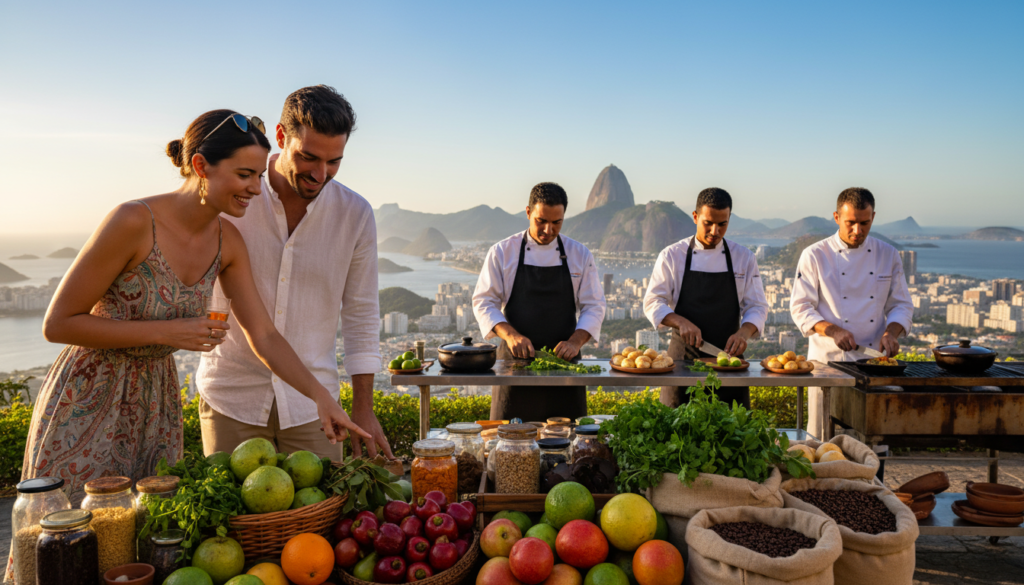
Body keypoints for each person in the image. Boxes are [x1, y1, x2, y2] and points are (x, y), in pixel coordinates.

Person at [20, 109, 370, 505]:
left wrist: (321, 396)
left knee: (146, 539)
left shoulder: (228, 242)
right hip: (89, 396)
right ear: (201, 166)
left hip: (158, 404)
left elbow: (265, 335)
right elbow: (58, 324)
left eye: (258, 176)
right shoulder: (133, 220)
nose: (256, 189)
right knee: (66, 535)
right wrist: (168, 332)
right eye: (244, 175)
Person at [196, 86, 393, 460]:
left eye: (334, 162)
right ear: (281, 137)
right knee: (234, 517)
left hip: (313, 408)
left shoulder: (355, 214)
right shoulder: (231, 199)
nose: (320, 174)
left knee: (320, 517)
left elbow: (361, 313)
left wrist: (363, 408)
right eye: (308, 157)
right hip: (231, 397)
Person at [472, 183, 606, 421]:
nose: (548, 229)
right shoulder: (503, 252)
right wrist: (511, 336)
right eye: (541, 221)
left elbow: (594, 305)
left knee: (567, 445)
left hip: (564, 365)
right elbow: (484, 302)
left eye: (557, 223)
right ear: (527, 212)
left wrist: (575, 342)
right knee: (509, 446)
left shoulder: (579, 254)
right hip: (515, 366)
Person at [790, 187, 913, 438]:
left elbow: (901, 304)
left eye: (864, 223)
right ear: (836, 218)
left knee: (871, 441)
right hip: (828, 362)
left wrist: (892, 333)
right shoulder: (815, 255)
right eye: (851, 223)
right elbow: (801, 307)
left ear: (873, 218)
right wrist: (833, 330)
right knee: (825, 441)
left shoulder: (887, 254)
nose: (858, 231)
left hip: (874, 364)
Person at [643, 188, 769, 408]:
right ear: (695, 217)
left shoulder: (744, 257)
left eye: (722, 224)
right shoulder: (672, 255)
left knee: (733, 436)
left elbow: (757, 306)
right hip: (683, 363)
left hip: (729, 363)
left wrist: (743, 333)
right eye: (708, 223)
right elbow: (653, 302)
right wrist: (681, 322)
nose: (715, 231)